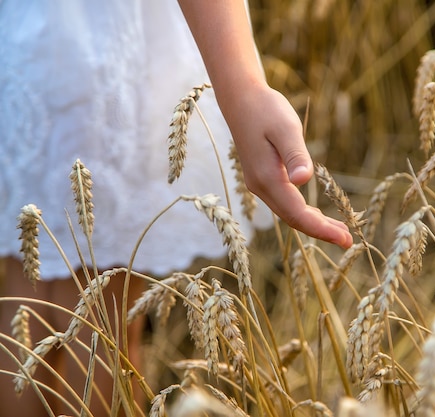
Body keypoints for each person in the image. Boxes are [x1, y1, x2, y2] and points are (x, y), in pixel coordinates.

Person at [0, 1, 352, 416]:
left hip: (22, 40)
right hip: (106, 57)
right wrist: (242, 87)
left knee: (30, 287)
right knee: (99, 313)